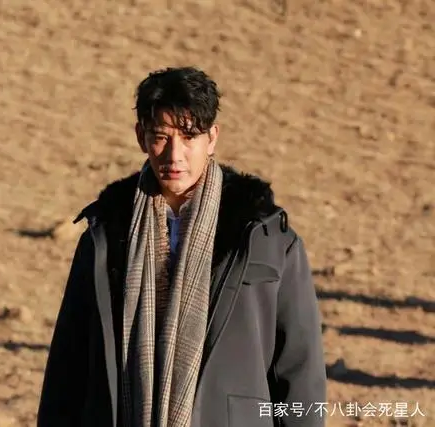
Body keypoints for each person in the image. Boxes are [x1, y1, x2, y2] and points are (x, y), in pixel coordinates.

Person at [37, 66, 327, 427]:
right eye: (161, 137)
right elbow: (69, 365)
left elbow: (299, 369)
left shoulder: (264, 238)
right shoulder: (106, 235)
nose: (174, 155)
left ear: (212, 138)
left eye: (189, 137)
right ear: (141, 137)